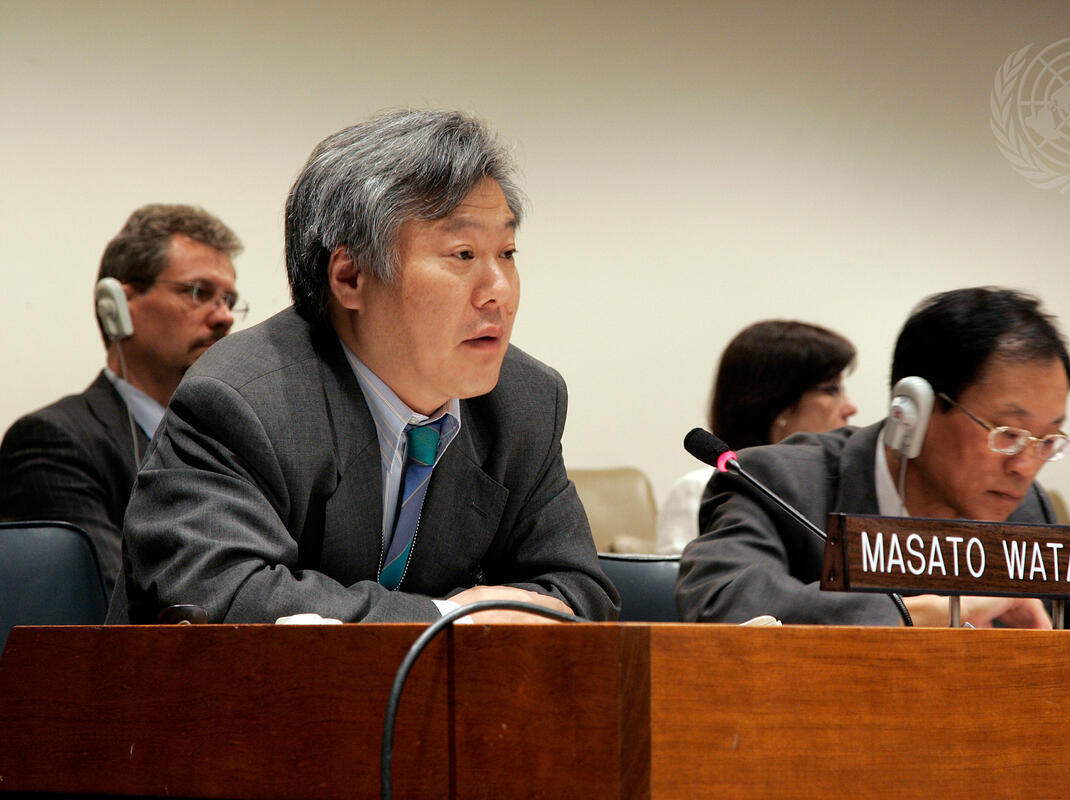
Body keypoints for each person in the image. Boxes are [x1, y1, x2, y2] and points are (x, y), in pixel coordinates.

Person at [107, 109, 618, 625]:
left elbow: (578, 591)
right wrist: (451, 619)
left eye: (506, 253)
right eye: (463, 254)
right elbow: (221, 595)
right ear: (350, 277)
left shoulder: (526, 401)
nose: (500, 292)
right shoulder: (241, 398)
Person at [677, 286, 1070, 629]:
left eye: (1047, 441)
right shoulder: (778, 483)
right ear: (912, 413)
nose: (1024, 466)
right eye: (1007, 434)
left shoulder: (1025, 508)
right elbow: (722, 603)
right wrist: (914, 614)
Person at [0, 204, 244, 592]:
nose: (224, 317)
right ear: (117, 304)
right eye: (199, 292)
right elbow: (107, 597)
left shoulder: (233, 444)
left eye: (229, 300)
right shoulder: (54, 440)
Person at [656, 320, 857, 554]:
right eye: (832, 389)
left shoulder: (841, 489)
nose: (851, 407)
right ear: (780, 405)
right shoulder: (697, 490)